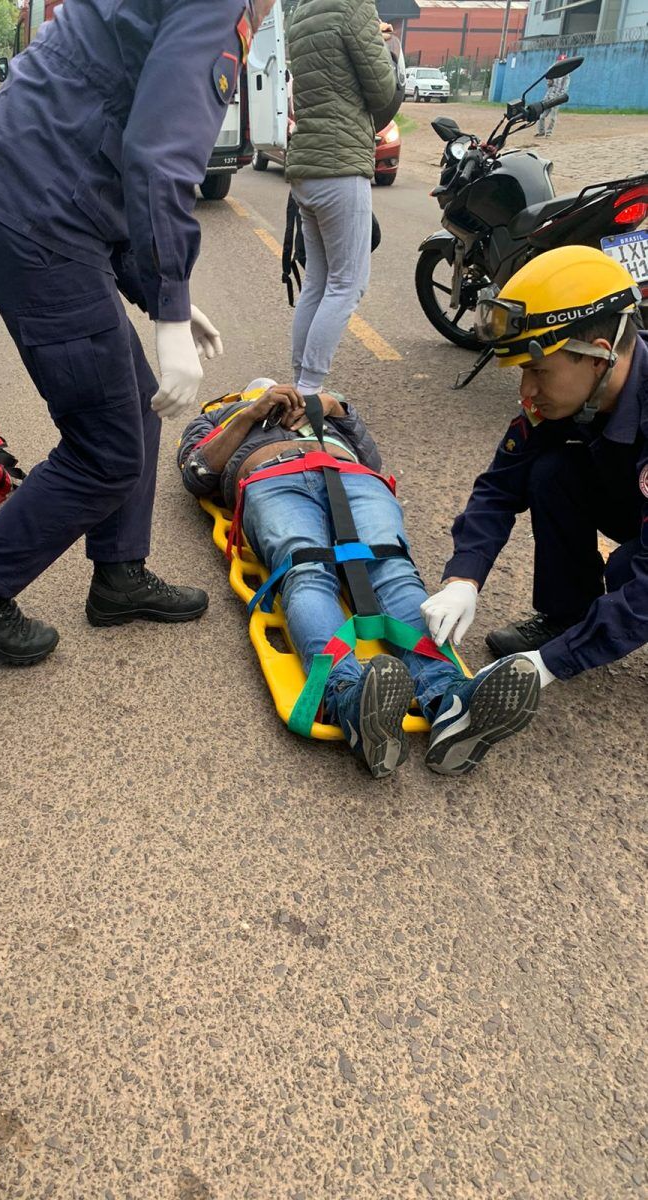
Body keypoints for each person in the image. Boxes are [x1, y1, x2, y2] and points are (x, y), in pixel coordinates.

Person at [0, 0, 275, 666]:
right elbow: (158, 157)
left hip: (19, 199)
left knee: (135, 405)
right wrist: (169, 310)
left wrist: (161, 293)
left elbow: (97, 143)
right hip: (37, 221)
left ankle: (119, 575)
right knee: (107, 446)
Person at [178, 380, 541, 778]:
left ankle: (448, 697)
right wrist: (249, 413)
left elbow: (371, 457)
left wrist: (336, 409)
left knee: (391, 567)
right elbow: (197, 472)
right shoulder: (220, 414)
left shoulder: (321, 410)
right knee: (307, 567)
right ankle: (346, 696)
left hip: (352, 476)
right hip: (273, 479)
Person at [422, 246, 647, 694]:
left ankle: (578, 638)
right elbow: (500, 486)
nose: (527, 390)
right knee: (552, 471)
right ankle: (567, 617)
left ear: (598, 357)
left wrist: (551, 664)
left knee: (630, 570)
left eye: (538, 372)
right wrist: (463, 577)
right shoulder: (577, 394)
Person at [285, 0, 397, 396]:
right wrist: (386, 46)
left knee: (318, 281)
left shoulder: (300, 14)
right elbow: (384, 90)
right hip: (341, 166)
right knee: (348, 284)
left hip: (307, 166)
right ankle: (311, 390)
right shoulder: (354, 8)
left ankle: (300, 385)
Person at [535, 54, 567, 138]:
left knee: (553, 117)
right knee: (542, 116)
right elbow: (549, 84)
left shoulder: (566, 75)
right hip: (549, 96)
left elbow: (564, 88)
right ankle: (541, 132)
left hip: (557, 98)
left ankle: (549, 133)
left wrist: (559, 97)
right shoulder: (553, 70)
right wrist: (550, 81)